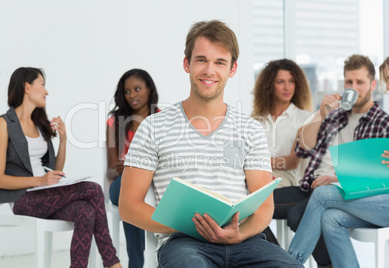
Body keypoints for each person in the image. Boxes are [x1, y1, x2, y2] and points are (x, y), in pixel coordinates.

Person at [119, 20, 302, 268]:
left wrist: (239, 233)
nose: (209, 70)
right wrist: (189, 224)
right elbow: (129, 206)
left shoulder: (250, 130)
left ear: (232, 69)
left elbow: (263, 206)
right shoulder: (153, 127)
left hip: (244, 242)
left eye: (219, 62)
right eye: (201, 60)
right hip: (183, 243)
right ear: (187, 64)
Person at [273, 54, 389, 268]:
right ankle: (266, 260)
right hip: (309, 185)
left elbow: (380, 176)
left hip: (345, 190)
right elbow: (302, 149)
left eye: (360, 82)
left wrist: (336, 179)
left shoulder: (385, 123)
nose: (353, 87)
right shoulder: (334, 116)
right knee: (258, 205)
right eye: (349, 82)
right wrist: (320, 114)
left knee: (302, 212)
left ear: (372, 85)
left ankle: (289, 263)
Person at [0, 67, 121, 268]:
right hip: (23, 199)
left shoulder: (39, 124)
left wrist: (63, 140)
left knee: (85, 211)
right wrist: (39, 181)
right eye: (42, 84)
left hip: (46, 195)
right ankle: (112, 262)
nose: (46, 91)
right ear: (27, 87)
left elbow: (54, 171)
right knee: (93, 189)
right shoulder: (4, 123)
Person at [106, 68, 159, 268]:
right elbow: (110, 171)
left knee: (136, 194)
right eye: (127, 91)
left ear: (149, 89)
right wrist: (125, 168)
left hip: (154, 186)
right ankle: (136, 263)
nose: (132, 96)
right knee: (129, 193)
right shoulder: (115, 122)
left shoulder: (162, 120)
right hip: (121, 185)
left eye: (137, 89)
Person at [252, 59, 313, 188]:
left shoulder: (305, 118)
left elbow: (292, 162)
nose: (287, 87)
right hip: (258, 176)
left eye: (291, 81)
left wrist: (259, 162)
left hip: (288, 182)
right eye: (280, 82)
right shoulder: (256, 119)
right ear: (269, 85)